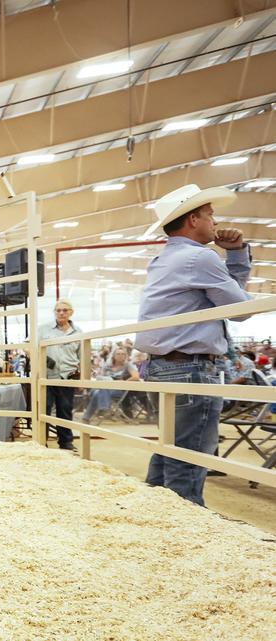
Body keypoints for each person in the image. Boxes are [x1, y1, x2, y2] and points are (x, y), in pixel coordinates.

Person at [134, 183, 252, 506]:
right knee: (189, 455)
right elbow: (241, 308)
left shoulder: (164, 259)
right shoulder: (201, 258)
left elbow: (228, 299)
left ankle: (154, 516)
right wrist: (238, 255)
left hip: (163, 366)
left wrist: (235, 257)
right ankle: (183, 526)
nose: (215, 222)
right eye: (210, 215)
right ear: (193, 219)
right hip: (190, 368)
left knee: (170, 449)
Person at [38, 299, 82, 451]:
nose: (61, 313)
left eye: (65, 310)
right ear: (54, 312)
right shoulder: (43, 329)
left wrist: (81, 377)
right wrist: (44, 359)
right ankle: (41, 442)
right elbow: (28, 348)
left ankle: (66, 442)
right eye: (58, 310)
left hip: (68, 377)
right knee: (45, 409)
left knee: (65, 409)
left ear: (71, 312)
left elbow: (82, 355)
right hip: (47, 376)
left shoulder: (78, 332)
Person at [82, 348, 140, 424]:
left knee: (97, 392)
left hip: (118, 390)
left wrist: (124, 382)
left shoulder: (127, 365)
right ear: (113, 355)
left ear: (126, 356)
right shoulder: (107, 365)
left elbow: (136, 377)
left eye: (123, 354)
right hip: (104, 388)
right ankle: (104, 408)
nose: (120, 356)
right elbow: (100, 377)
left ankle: (91, 415)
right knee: (99, 389)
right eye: (118, 354)